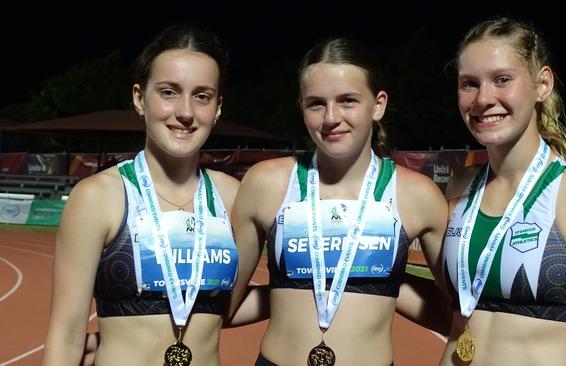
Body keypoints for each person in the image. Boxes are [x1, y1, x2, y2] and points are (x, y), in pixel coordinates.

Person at [229, 37, 450, 366]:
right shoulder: (265, 183)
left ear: (378, 105)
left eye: (348, 100)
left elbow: (459, 312)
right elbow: (225, 307)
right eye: (316, 103)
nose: (331, 117)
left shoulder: (418, 196)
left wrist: (386, 287)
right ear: (301, 107)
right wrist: (285, 292)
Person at [441, 17, 566, 365]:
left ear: (542, 85)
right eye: (469, 84)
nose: (483, 98)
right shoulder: (461, 187)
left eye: (502, 80)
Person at [41, 24, 242, 366]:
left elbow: (228, 306)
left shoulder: (233, 196)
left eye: (202, 96)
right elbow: (66, 334)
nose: (186, 112)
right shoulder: (98, 197)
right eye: (168, 92)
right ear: (139, 97)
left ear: (218, 107)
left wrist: (295, 294)